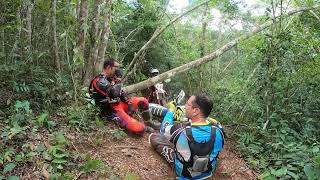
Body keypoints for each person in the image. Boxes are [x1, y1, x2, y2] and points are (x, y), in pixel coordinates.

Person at [149, 94, 224, 179]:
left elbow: (163, 129)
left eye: (188, 104)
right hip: (207, 171)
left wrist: (170, 111)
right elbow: (214, 123)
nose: (185, 106)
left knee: (154, 137)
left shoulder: (180, 130)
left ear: (195, 111)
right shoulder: (219, 130)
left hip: (184, 174)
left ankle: (173, 160)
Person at [89, 58, 160, 134]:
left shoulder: (112, 78)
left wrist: (129, 103)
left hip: (120, 103)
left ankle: (148, 122)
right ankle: (144, 127)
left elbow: (121, 92)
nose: (118, 69)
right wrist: (119, 79)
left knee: (143, 101)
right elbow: (113, 93)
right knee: (139, 129)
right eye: (116, 67)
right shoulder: (99, 80)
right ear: (109, 68)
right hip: (112, 110)